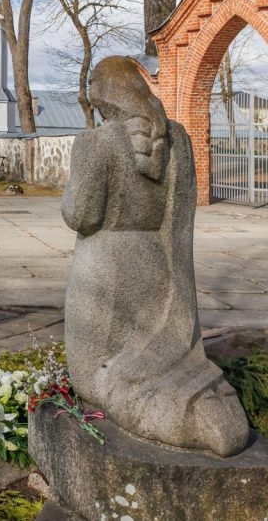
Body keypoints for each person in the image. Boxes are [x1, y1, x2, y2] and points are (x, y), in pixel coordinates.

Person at [62, 56, 248, 457]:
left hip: (104, 270)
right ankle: (197, 402)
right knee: (154, 350)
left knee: (94, 376)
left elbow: (81, 215)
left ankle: (175, 411)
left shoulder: (96, 142)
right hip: (159, 266)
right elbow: (181, 221)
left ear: (101, 93)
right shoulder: (178, 140)